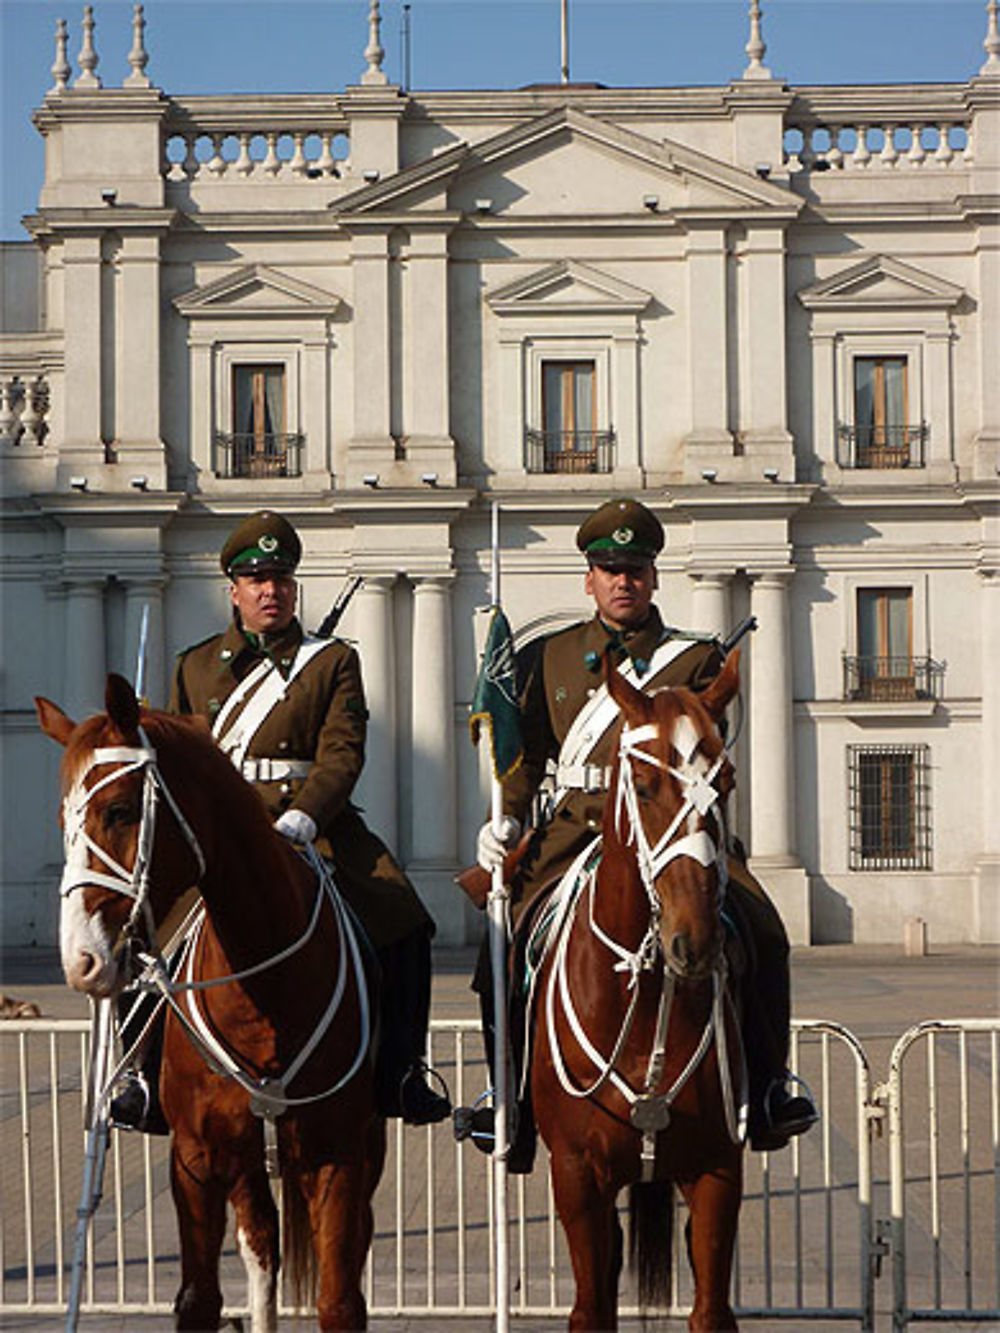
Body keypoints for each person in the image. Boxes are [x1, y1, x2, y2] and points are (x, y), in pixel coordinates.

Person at [458, 496, 817, 1163]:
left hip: (673, 831)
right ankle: (505, 1096)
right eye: (609, 567)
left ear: (654, 578)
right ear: (588, 578)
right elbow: (522, 758)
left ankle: (768, 1086)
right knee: (499, 947)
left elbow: (713, 755)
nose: (623, 580)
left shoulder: (697, 660)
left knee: (762, 925)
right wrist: (503, 819)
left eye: (636, 568)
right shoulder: (546, 657)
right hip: (571, 836)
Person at [111, 510, 450, 1130]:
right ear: (233, 591)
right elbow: (181, 764)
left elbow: (343, 752)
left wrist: (303, 816)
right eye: (257, 580)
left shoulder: (332, 662)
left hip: (315, 831)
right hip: (216, 841)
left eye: (281, 579)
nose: (271, 591)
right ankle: (141, 1074)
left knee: (403, 920)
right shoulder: (197, 666)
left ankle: (402, 1072)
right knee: (143, 928)